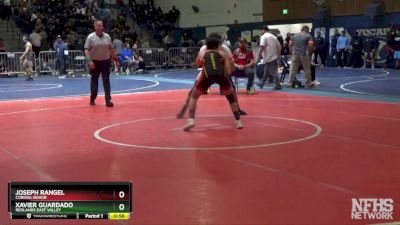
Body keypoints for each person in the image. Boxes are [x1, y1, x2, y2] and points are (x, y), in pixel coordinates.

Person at [181, 32, 243, 131]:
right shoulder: (223, 51)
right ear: (218, 44)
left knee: (193, 96)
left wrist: (205, 63)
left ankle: (191, 120)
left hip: (206, 76)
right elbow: (229, 70)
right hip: (221, 75)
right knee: (230, 96)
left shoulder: (203, 51)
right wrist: (226, 79)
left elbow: (198, 64)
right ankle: (238, 121)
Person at [84, 20, 119, 107]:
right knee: (94, 81)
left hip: (105, 61)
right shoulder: (90, 37)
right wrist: (89, 61)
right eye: (99, 26)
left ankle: (108, 100)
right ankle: (92, 98)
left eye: (102, 25)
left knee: (106, 80)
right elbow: (86, 50)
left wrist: (116, 59)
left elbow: (111, 48)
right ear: (95, 27)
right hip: (94, 62)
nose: (102, 27)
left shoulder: (107, 37)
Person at [257, 25, 282, 90]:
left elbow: (262, 47)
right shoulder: (274, 37)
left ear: (263, 30)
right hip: (274, 56)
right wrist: (278, 56)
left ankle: (278, 85)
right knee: (266, 71)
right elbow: (279, 47)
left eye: (261, 31)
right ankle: (261, 84)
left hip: (268, 57)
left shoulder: (263, 36)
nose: (261, 32)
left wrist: (258, 56)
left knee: (273, 72)